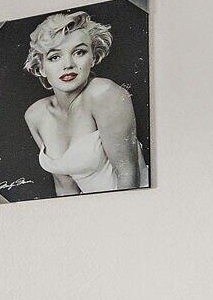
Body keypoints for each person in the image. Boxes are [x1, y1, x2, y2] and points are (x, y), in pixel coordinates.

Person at [21, 11, 144, 194]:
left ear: (93, 58)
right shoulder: (36, 115)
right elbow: (65, 187)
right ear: (41, 68)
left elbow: (129, 178)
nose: (68, 64)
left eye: (79, 52)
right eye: (55, 57)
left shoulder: (104, 93)